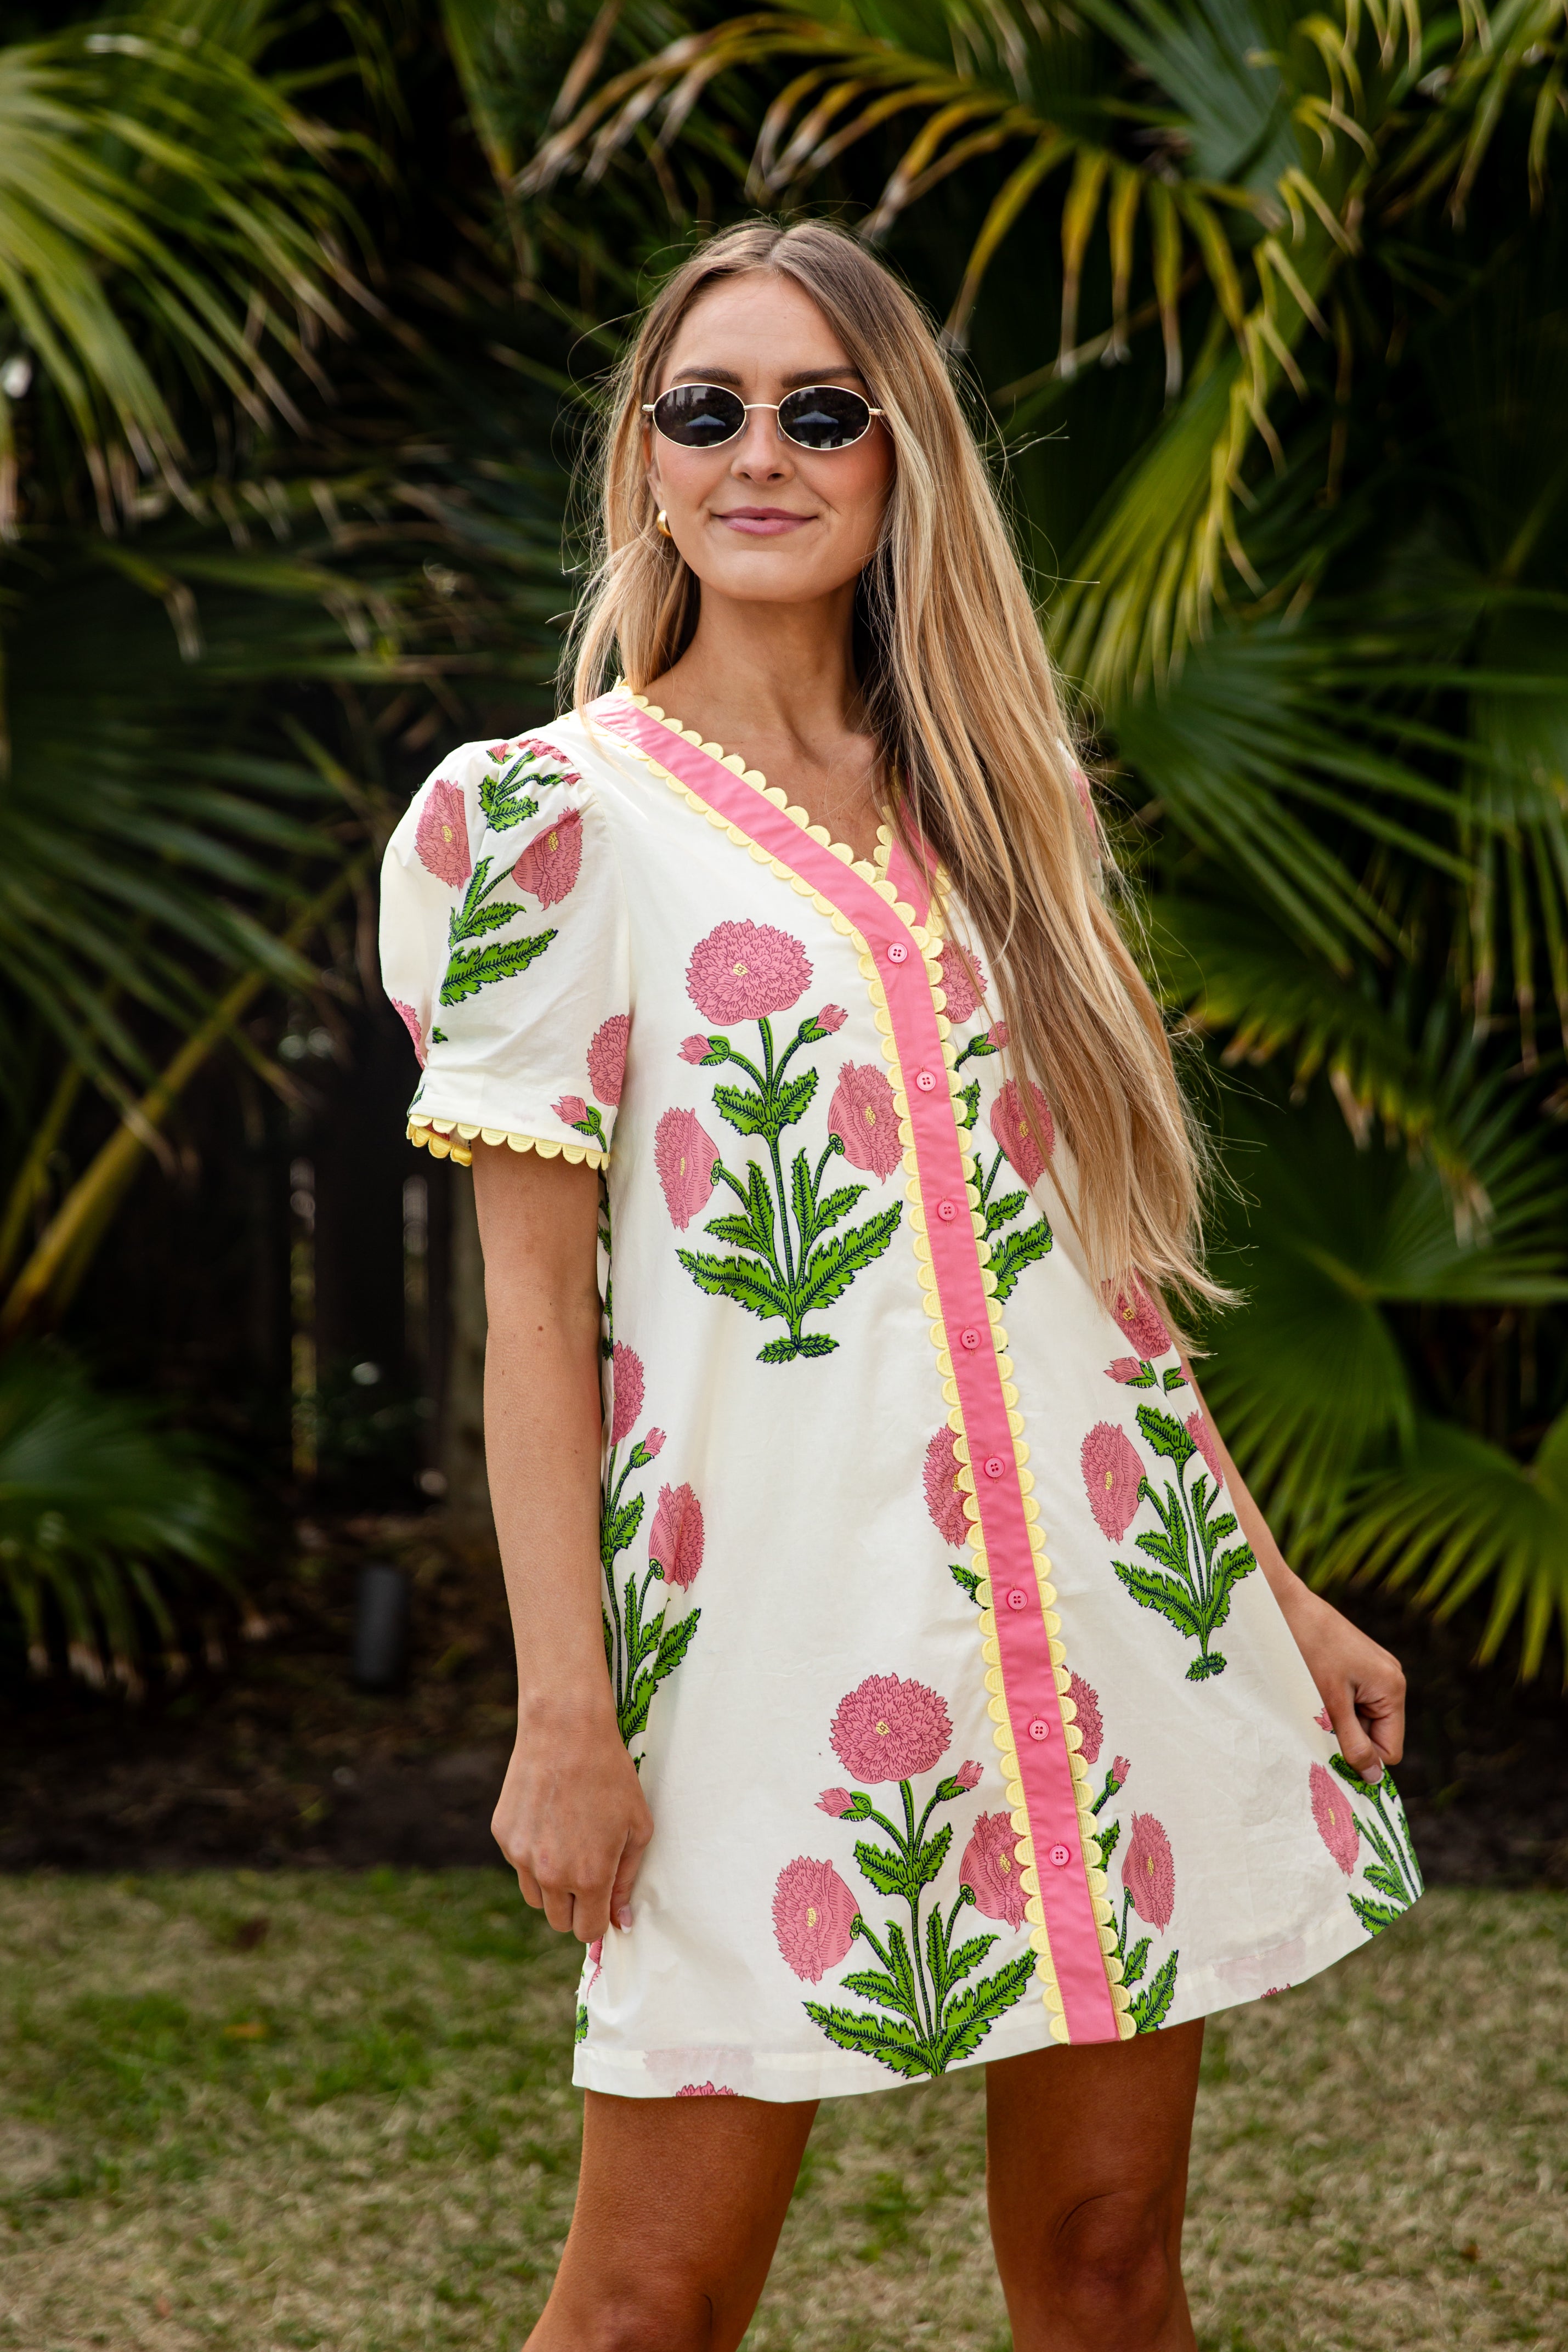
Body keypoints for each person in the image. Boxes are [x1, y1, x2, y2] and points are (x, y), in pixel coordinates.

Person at [378, 219, 1419, 2351]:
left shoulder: (1005, 809)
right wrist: (563, 1715)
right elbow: (534, 1318)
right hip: (762, 1651)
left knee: (1110, 2268)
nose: (758, 453)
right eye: (705, 407)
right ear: (645, 456)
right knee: (650, 2302)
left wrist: (1271, 1584)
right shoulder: (545, 822)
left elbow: (1091, 1269)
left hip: (1110, 1619)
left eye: (820, 411)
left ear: (897, 456)